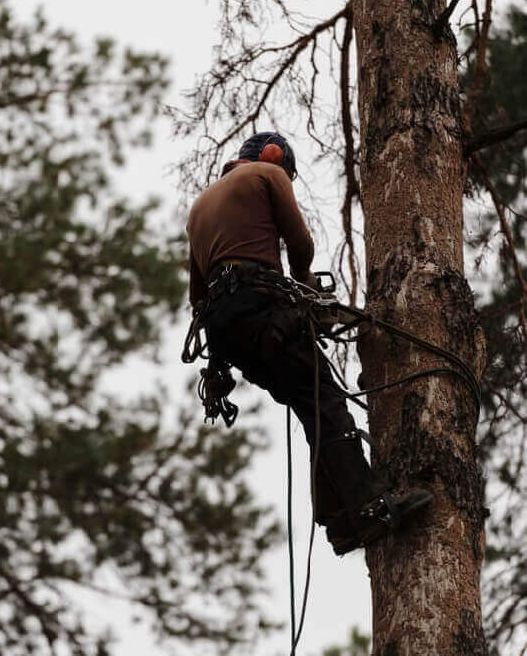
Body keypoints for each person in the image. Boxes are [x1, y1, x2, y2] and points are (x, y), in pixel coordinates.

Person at [185, 131, 432, 555]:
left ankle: (340, 522)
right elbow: (300, 244)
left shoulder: (198, 209)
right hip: (260, 308)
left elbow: (197, 296)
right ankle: (370, 508)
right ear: (273, 154)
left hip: (226, 333)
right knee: (327, 403)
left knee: (311, 406)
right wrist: (304, 290)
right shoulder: (268, 172)